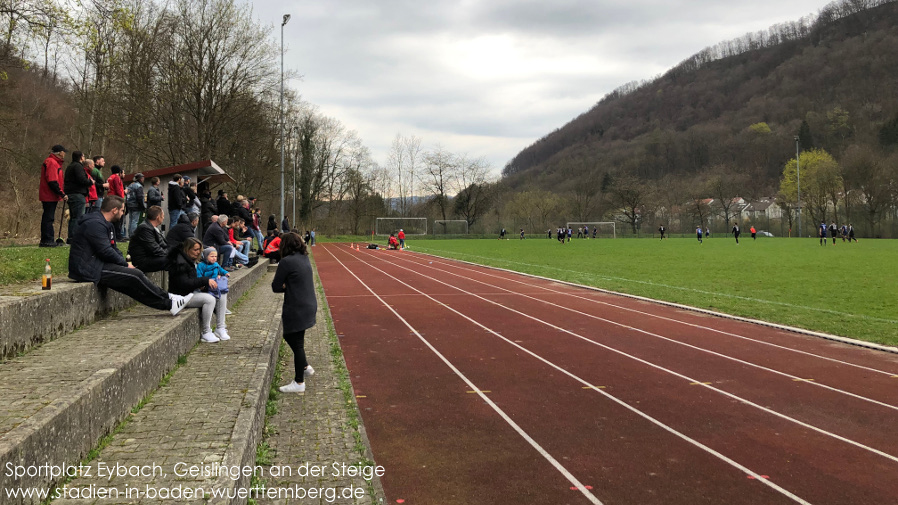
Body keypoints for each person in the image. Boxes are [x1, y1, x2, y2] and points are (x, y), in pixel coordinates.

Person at [68, 195, 192, 315]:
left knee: (130, 285)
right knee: (136, 274)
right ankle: (169, 297)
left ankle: (170, 305)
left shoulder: (107, 224)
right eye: (122, 210)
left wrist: (124, 263)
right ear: (114, 210)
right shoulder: (94, 224)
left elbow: (113, 248)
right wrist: (125, 264)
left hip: (98, 263)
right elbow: (105, 251)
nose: (123, 214)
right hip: (86, 268)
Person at [272, 232, 317, 393]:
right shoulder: (304, 258)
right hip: (309, 304)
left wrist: (286, 286)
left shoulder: (286, 262)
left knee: (297, 343)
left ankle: (299, 383)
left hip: (297, 306)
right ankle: (305, 366)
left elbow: (276, 286)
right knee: (292, 337)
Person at [167, 238, 227, 343]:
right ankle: (206, 331)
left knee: (221, 293)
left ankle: (220, 327)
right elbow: (184, 284)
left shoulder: (192, 261)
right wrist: (204, 281)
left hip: (194, 291)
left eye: (199, 249)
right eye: (195, 250)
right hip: (182, 296)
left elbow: (195, 279)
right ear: (187, 249)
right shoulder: (179, 263)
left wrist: (208, 282)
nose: (198, 252)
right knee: (209, 299)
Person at [39, 145, 68, 247]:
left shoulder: (53, 162)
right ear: (60, 152)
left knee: (49, 217)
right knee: (48, 217)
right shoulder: (52, 162)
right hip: (49, 194)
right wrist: (61, 193)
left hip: (49, 194)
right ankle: (47, 240)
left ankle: (48, 239)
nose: (64, 154)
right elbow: (52, 181)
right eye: (64, 152)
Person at [128, 205, 169, 273]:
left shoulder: (151, 227)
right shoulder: (144, 228)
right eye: (163, 216)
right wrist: (170, 255)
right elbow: (154, 249)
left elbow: (163, 244)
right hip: (142, 261)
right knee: (172, 261)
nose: (164, 218)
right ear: (158, 217)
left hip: (150, 257)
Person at [63, 151, 91, 243]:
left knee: (73, 217)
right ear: (81, 157)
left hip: (70, 194)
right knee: (78, 217)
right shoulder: (78, 166)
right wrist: (90, 182)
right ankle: (75, 238)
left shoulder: (70, 166)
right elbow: (81, 179)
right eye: (83, 156)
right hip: (77, 194)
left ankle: (71, 237)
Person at [125, 173, 146, 239]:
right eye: (142, 178)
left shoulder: (131, 185)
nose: (143, 179)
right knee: (135, 221)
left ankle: (130, 234)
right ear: (140, 179)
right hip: (136, 205)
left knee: (131, 220)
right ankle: (133, 236)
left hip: (129, 204)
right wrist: (142, 206)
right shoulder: (139, 186)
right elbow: (140, 197)